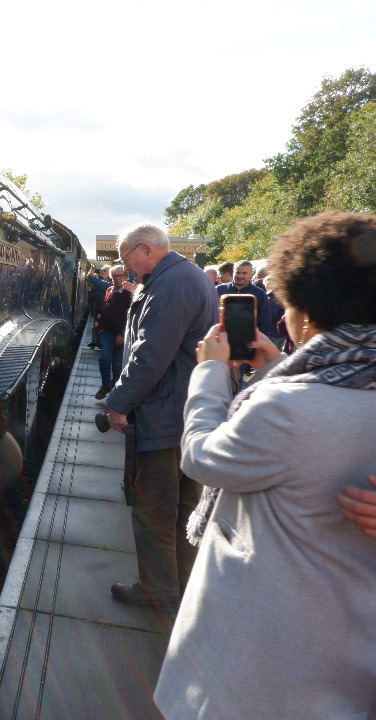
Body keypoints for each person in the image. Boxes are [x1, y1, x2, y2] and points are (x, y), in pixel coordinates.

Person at [154, 210, 376, 719]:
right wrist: (277, 367)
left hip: (259, 661)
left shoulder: (286, 407)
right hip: (351, 660)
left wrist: (210, 373)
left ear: (309, 314)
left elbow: (204, 455)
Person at [104, 223, 218, 610]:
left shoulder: (169, 286)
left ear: (147, 249)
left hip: (164, 414)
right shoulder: (186, 277)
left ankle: (157, 590)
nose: (126, 266)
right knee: (186, 508)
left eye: (126, 258)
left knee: (153, 509)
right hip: (184, 411)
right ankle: (183, 586)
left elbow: (150, 354)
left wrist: (118, 402)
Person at [94, 265, 132, 399]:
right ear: (111, 277)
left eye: (120, 275)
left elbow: (130, 316)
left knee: (117, 366)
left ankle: (114, 392)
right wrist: (100, 322)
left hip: (121, 335)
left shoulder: (129, 294)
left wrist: (122, 335)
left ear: (125, 277)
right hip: (107, 332)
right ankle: (105, 385)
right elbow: (106, 309)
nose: (117, 278)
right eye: (115, 275)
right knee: (104, 359)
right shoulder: (109, 290)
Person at [215, 260, 271, 336]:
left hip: (247, 339)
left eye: (244, 273)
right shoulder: (219, 290)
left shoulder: (259, 294)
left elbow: (264, 321)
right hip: (222, 337)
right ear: (233, 272)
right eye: (238, 272)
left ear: (251, 273)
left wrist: (261, 342)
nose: (240, 276)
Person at [86, 266, 111, 349]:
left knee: (104, 326)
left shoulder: (109, 283)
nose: (102, 272)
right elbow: (93, 294)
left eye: (105, 270)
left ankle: (101, 343)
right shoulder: (99, 281)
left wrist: (93, 278)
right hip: (98, 306)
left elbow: (105, 286)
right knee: (96, 324)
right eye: (102, 270)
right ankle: (95, 342)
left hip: (106, 308)